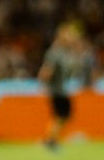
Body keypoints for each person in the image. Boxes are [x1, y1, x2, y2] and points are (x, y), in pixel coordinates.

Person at [38, 21, 94, 149]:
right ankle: (50, 140)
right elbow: (47, 70)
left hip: (62, 89)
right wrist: (44, 83)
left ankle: (51, 139)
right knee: (60, 115)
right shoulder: (55, 52)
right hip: (57, 90)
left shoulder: (65, 52)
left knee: (63, 115)